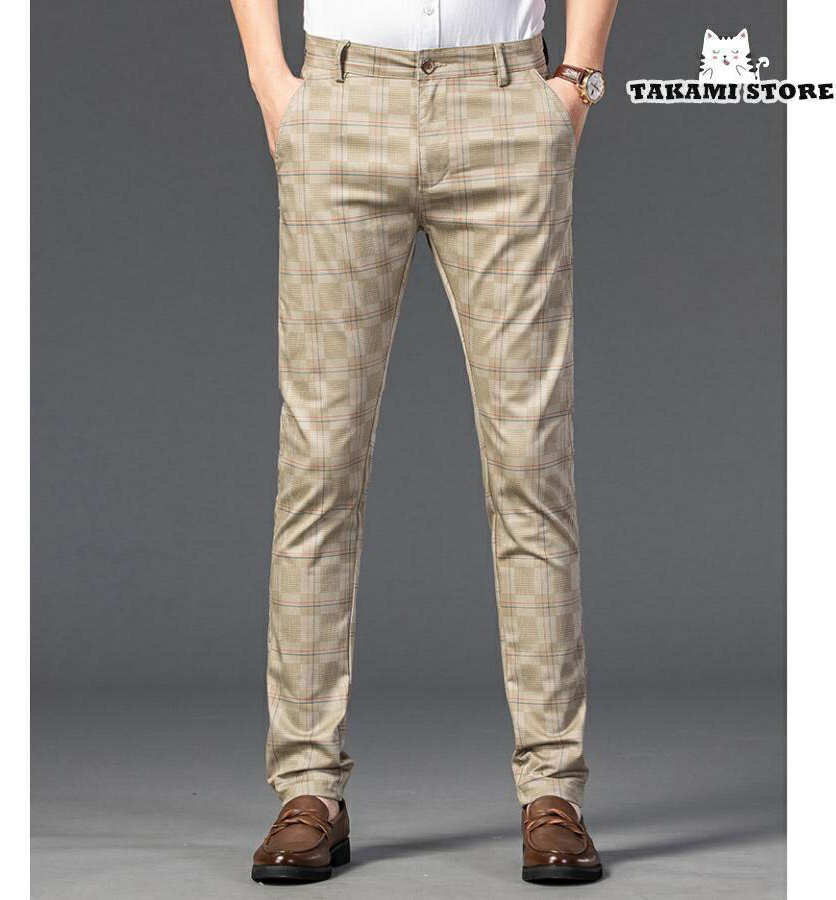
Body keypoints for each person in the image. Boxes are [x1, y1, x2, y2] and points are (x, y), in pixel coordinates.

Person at [230, 0, 618, 885]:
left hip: (505, 99)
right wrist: (269, 79)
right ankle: (307, 786)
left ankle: (553, 789)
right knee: (319, 463)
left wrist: (577, 80)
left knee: (531, 464)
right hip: (343, 99)